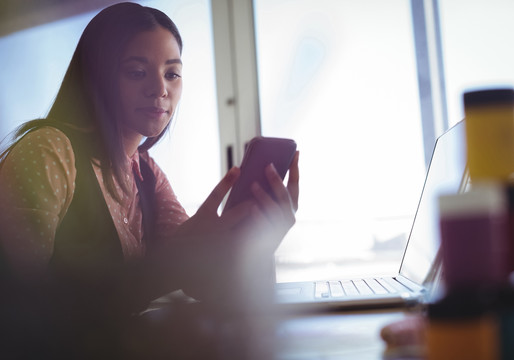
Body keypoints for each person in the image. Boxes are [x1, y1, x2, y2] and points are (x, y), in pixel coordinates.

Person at [0, 2, 299, 357]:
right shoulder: (51, 150)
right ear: (95, 76)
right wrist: (170, 264)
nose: (160, 89)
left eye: (172, 74)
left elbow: (199, 280)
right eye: (136, 72)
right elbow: (17, 305)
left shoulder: (146, 171)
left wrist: (258, 242)